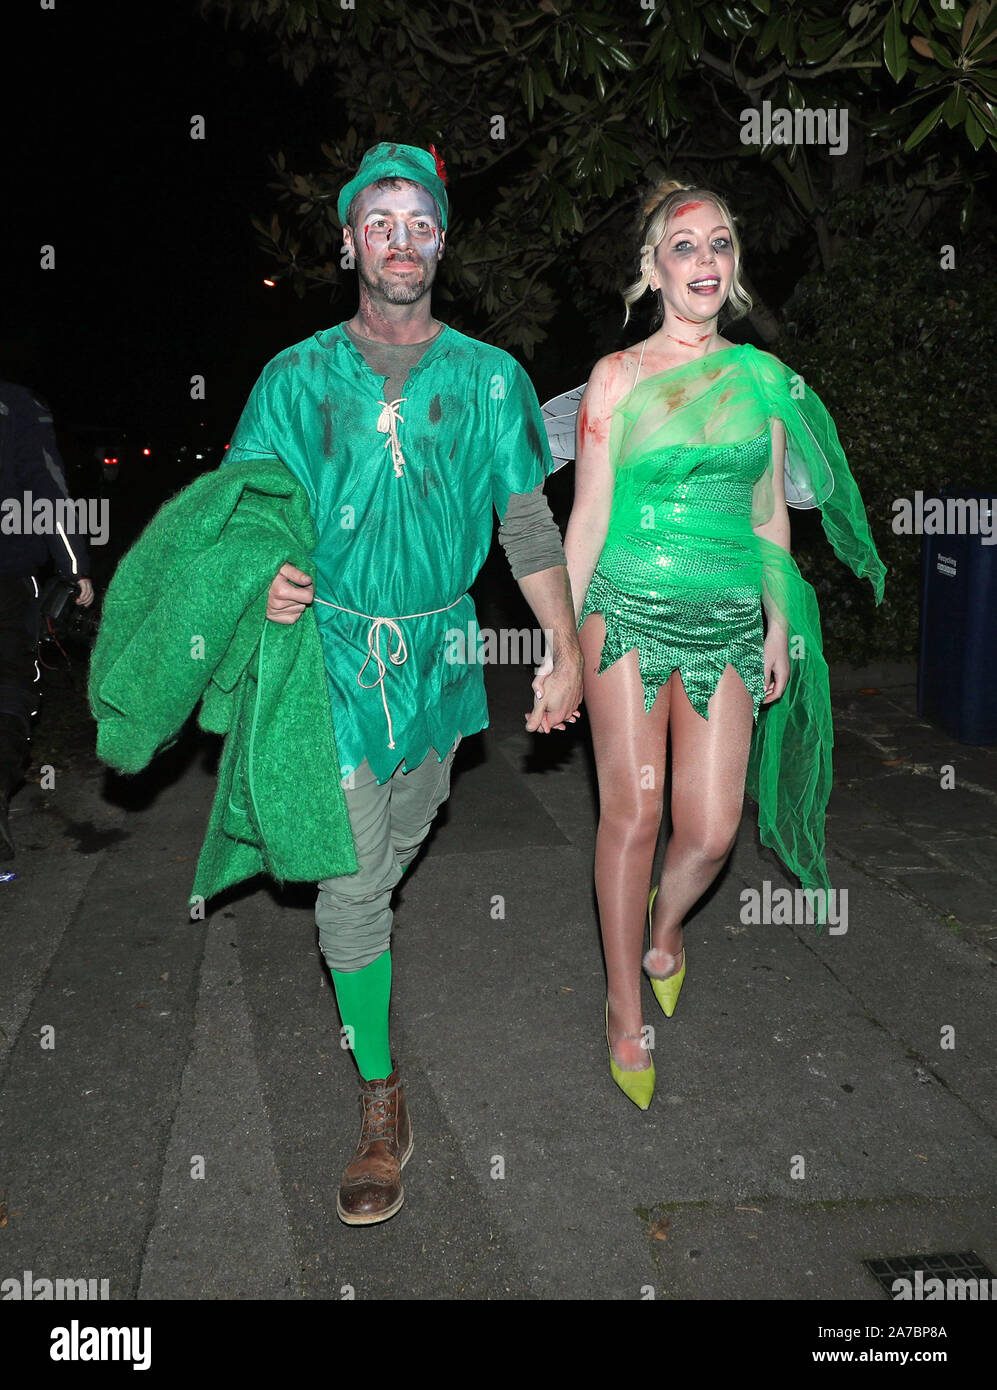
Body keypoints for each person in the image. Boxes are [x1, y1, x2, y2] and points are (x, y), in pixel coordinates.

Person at [223, 142, 583, 1222]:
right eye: (377, 222)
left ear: (441, 240)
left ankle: (373, 900)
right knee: (351, 883)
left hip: (439, 662)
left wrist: (561, 645)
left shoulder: (488, 378)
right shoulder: (293, 378)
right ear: (346, 243)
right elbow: (248, 512)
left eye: (418, 221)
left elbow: (525, 522)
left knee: (405, 830)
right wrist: (268, 582)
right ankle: (381, 1100)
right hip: (330, 654)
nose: (399, 241)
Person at [560, 181, 885, 1109]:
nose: (704, 261)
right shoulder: (615, 378)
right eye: (683, 246)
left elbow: (770, 518)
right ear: (653, 269)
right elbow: (584, 522)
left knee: (707, 830)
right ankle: (624, 1006)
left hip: (729, 622)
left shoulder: (763, 382)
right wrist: (564, 642)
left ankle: (665, 934)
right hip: (622, 608)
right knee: (634, 812)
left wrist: (780, 624)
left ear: (732, 266)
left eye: (719, 245)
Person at [0, 381, 94, 858]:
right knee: (10, 682)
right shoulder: (17, 405)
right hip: (9, 577)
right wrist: (73, 566)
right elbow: (46, 490)